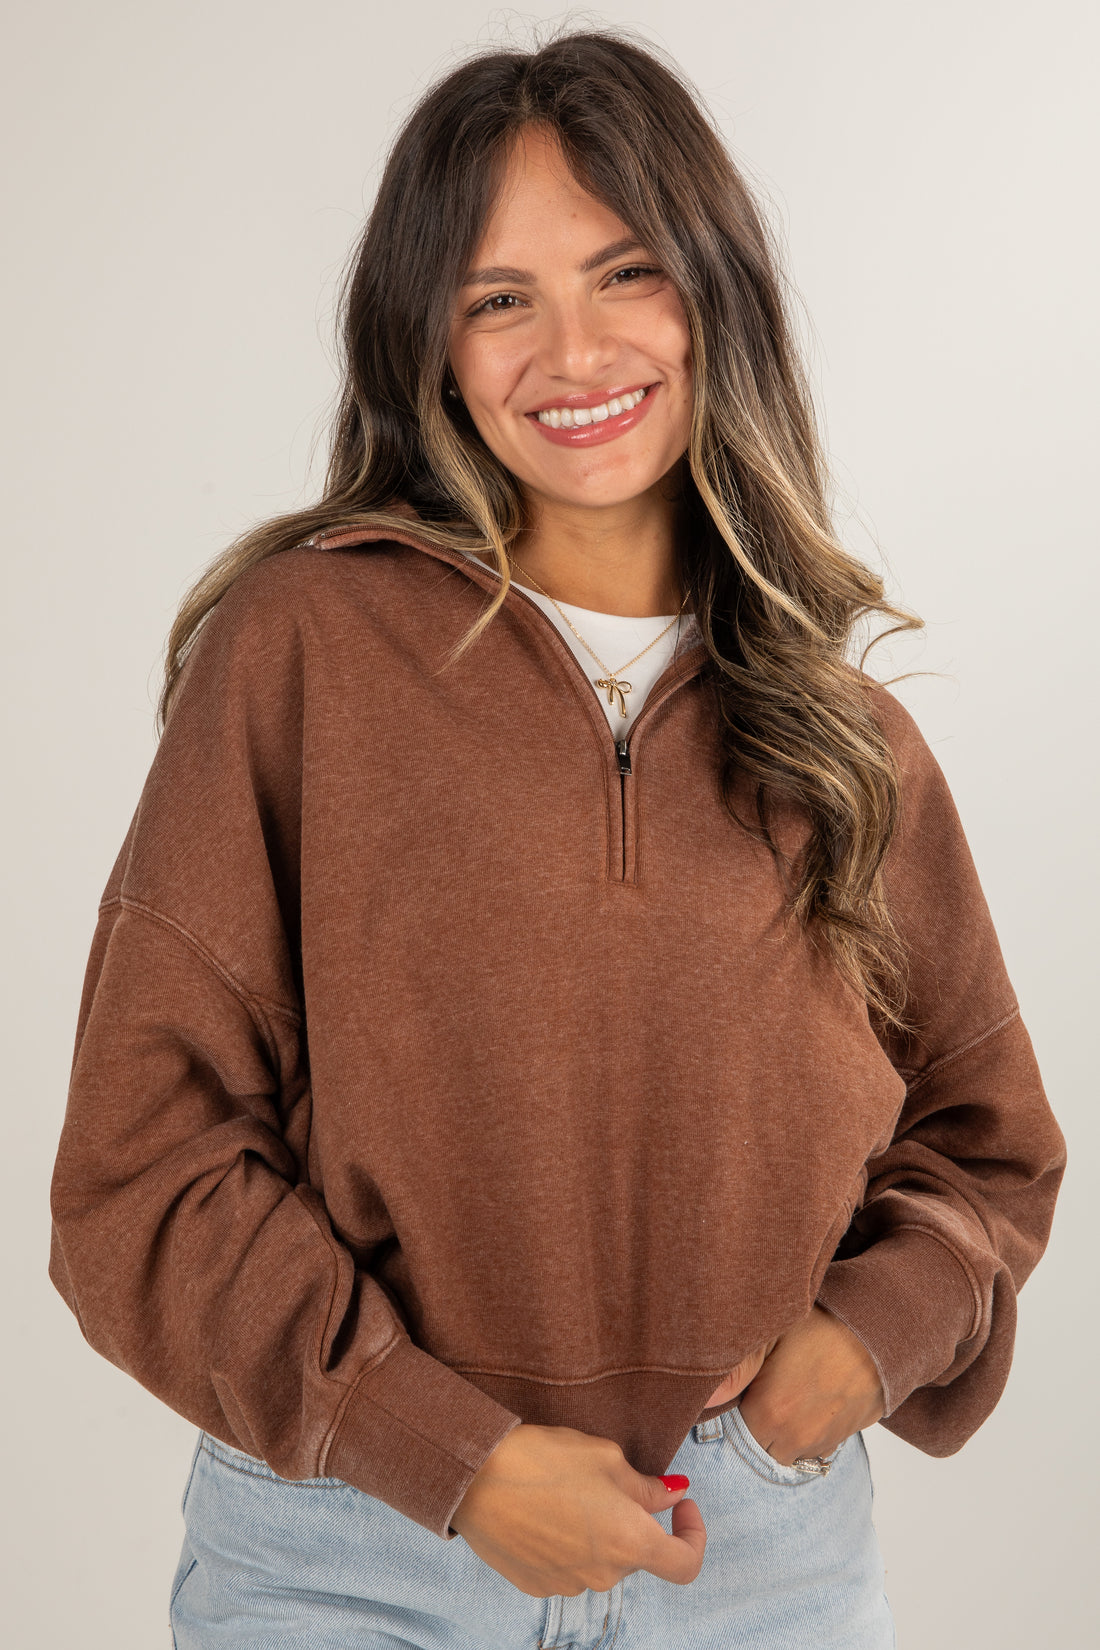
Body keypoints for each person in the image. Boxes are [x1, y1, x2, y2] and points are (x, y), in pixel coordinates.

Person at [47, 26, 1067, 1650]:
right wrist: (447, 1457)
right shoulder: (303, 650)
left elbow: (989, 1147)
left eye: (625, 273)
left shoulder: (842, 735)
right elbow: (140, 1173)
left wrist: (852, 1351)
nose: (571, 349)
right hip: (350, 1554)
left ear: (712, 297)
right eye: (498, 295)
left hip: (758, 1559)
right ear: (430, 340)